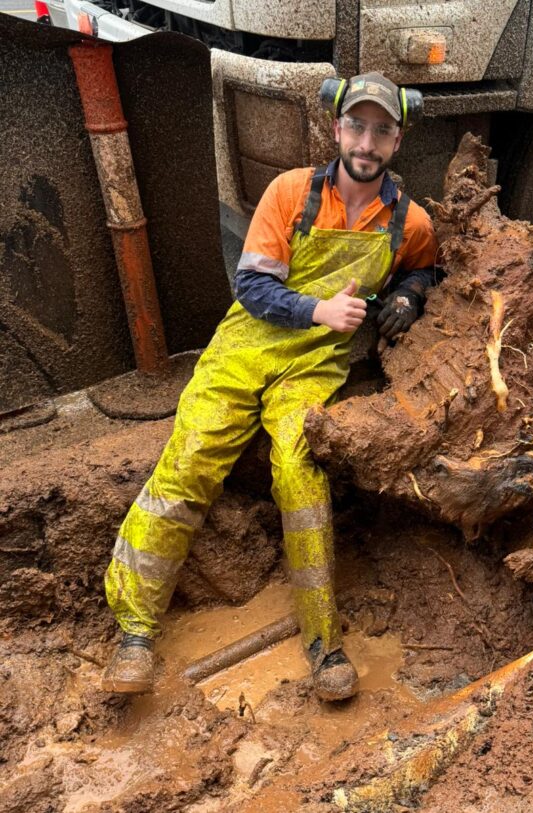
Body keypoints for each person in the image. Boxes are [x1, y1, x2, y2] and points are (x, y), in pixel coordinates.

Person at [101, 72, 438, 701]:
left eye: (382, 130)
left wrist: (411, 297)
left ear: (398, 139)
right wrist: (321, 311)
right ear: (337, 129)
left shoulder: (407, 219)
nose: (367, 141)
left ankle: (322, 640)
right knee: (192, 459)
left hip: (312, 368)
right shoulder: (291, 194)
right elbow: (252, 287)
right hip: (245, 349)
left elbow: (427, 266)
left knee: (301, 471)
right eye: (357, 126)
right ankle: (135, 631)